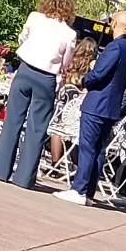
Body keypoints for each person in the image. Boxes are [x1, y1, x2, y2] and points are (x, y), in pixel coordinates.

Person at [0, 0, 77, 189]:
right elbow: (66, 62)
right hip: (46, 78)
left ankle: (0, 169)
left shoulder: (34, 18)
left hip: (25, 70)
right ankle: (24, 177)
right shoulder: (70, 34)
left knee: (12, 121)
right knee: (36, 128)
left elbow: (23, 38)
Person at [54, 11, 126, 205]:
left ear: (115, 23)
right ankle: (89, 192)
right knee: (99, 149)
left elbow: (99, 73)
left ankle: (79, 189)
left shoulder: (114, 47)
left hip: (98, 103)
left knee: (87, 146)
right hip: (112, 106)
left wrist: (85, 80)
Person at [47, 37, 98, 170]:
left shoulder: (70, 63)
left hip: (62, 108)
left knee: (57, 128)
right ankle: (77, 165)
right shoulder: (93, 68)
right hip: (80, 111)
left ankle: (55, 163)